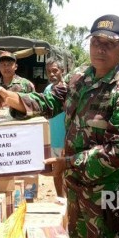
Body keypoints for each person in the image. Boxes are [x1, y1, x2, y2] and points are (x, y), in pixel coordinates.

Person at [0, 14, 119, 238]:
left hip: (107, 193)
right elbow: (49, 101)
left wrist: (67, 163)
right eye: (96, 42)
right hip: (75, 188)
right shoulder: (79, 77)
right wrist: (9, 98)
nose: (100, 49)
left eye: (109, 44)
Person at [44, 57, 67, 197]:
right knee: (56, 173)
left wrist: (67, 142)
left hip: (66, 141)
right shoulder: (47, 89)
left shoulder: (69, 89)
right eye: (49, 72)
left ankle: (70, 206)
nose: (52, 74)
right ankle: (60, 199)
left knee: (69, 175)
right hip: (52, 141)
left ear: (62, 71)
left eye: (55, 71)